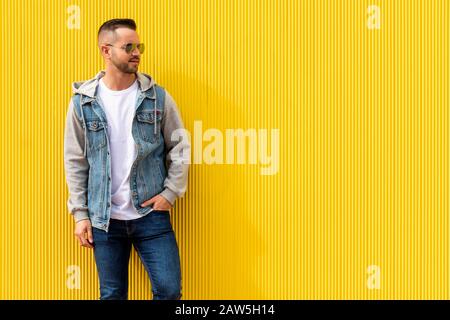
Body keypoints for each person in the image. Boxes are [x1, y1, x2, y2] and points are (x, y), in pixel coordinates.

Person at [63, 18, 190, 300]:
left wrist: (170, 193)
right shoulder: (83, 102)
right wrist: (80, 214)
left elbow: (180, 148)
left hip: (150, 217)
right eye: (128, 46)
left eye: (139, 46)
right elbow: (75, 162)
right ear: (106, 50)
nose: (137, 53)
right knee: (112, 294)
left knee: (169, 292)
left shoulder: (157, 98)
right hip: (104, 219)